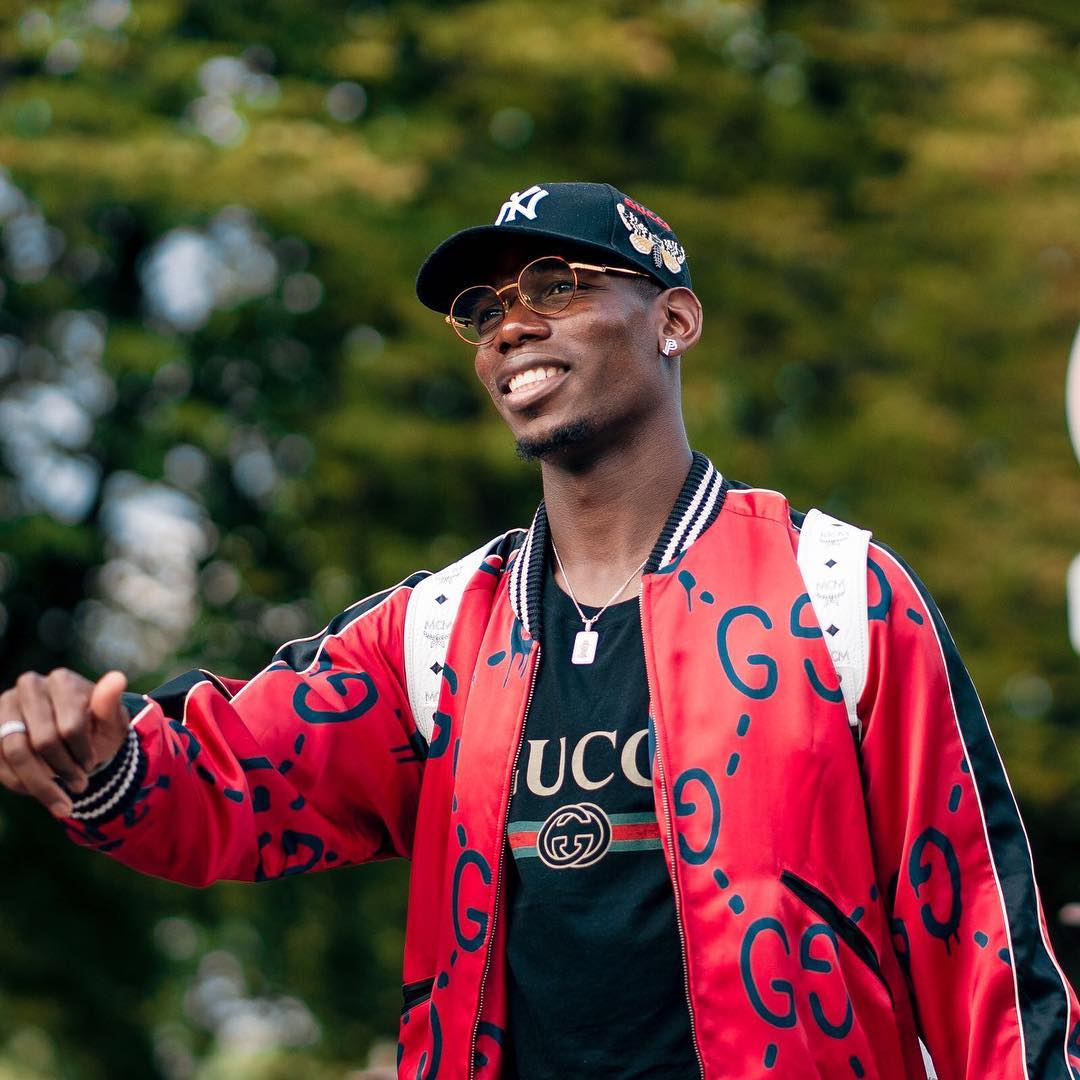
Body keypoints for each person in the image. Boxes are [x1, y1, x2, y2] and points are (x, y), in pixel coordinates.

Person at [0, 181, 1077, 1079]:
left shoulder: (836, 590)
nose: (511, 325)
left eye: (558, 286)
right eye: (484, 310)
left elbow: (980, 935)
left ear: (674, 319)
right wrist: (105, 761)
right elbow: (238, 778)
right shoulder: (435, 634)